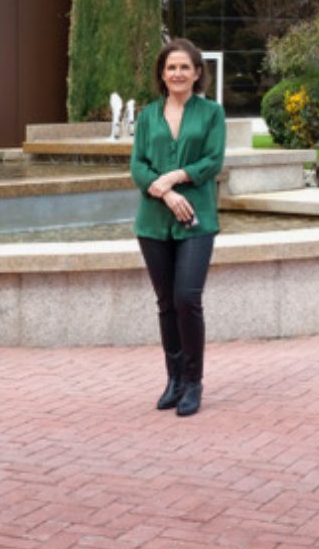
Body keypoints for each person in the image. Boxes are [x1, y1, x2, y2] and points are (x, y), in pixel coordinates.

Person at [130, 39, 226, 417]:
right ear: (162, 74)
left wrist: (175, 176)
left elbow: (213, 160)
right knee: (166, 303)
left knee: (187, 298)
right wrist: (166, 193)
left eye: (185, 67)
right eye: (171, 67)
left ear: (198, 72)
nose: (178, 73)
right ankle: (172, 379)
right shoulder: (147, 116)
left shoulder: (211, 114)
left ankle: (193, 381)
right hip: (153, 222)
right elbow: (138, 166)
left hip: (197, 220)